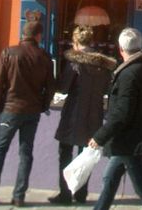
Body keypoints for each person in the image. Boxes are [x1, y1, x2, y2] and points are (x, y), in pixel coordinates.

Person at [0, 20, 56, 207]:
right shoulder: (44, 57)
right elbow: (50, 87)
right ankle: (19, 195)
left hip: (11, 108)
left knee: (0, 150)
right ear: (38, 36)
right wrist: (43, 105)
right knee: (26, 152)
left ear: (23, 34)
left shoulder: (9, 53)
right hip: (32, 110)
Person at [88, 27, 142, 210]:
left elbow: (122, 112)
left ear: (121, 49)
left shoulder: (129, 74)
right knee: (110, 179)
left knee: (141, 185)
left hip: (129, 139)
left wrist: (100, 136)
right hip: (133, 137)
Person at [48, 26, 116, 205]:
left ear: (76, 42)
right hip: (94, 113)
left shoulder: (75, 63)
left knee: (65, 152)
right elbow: (107, 88)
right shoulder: (103, 65)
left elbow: (64, 87)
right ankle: (81, 193)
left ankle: (65, 193)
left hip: (74, 112)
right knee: (86, 153)